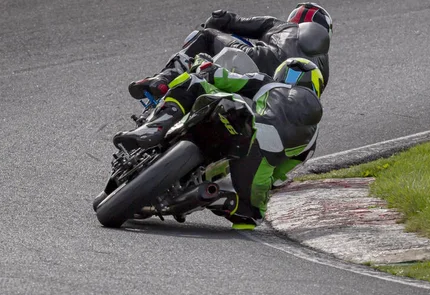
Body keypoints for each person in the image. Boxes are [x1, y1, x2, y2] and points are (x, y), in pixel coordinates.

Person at [113, 56, 324, 230]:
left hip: (245, 126)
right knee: (250, 217)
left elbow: (221, 77)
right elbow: (279, 175)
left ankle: (155, 126)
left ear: (282, 74)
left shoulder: (267, 83)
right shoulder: (312, 141)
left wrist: (204, 64)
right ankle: (215, 195)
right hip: (258, 167)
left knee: (192, 82)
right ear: (316, 86)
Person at [128, 2, 332, 101]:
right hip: (282, 102)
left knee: (206, 35)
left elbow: (231, 21)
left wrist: (218, 19)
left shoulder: (283, 27)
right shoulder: (324, 69)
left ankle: (164, 79)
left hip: (262, 66)